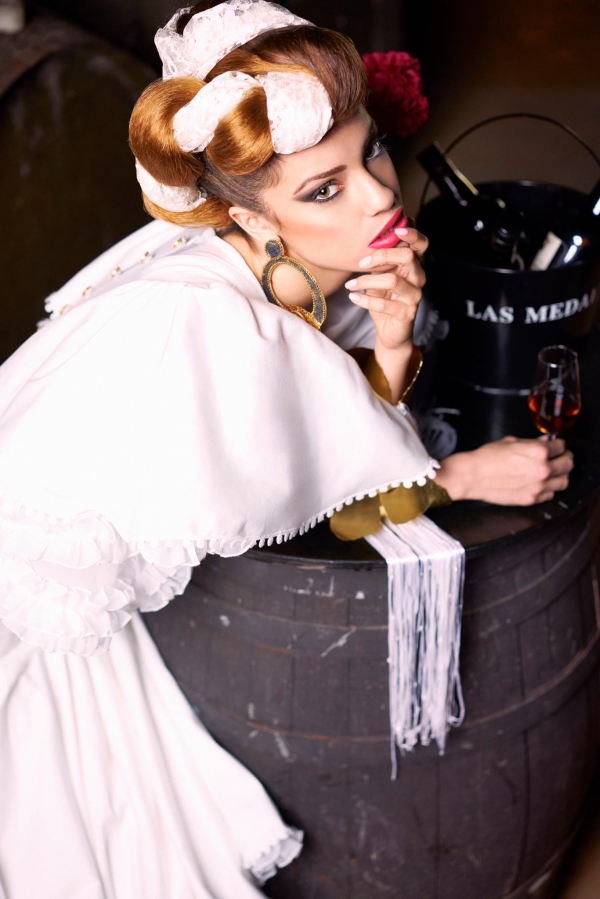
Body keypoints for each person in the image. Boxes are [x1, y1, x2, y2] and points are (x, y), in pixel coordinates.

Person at [0, 1, 574, 896]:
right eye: (323, 189)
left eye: (371, 152)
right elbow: (337, 498)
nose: (379, 196)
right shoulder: (211, 320)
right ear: (252, 219)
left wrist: (393, 337)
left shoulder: (298, 263)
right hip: (34, 619)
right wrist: (463, 472)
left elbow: (338, 422)